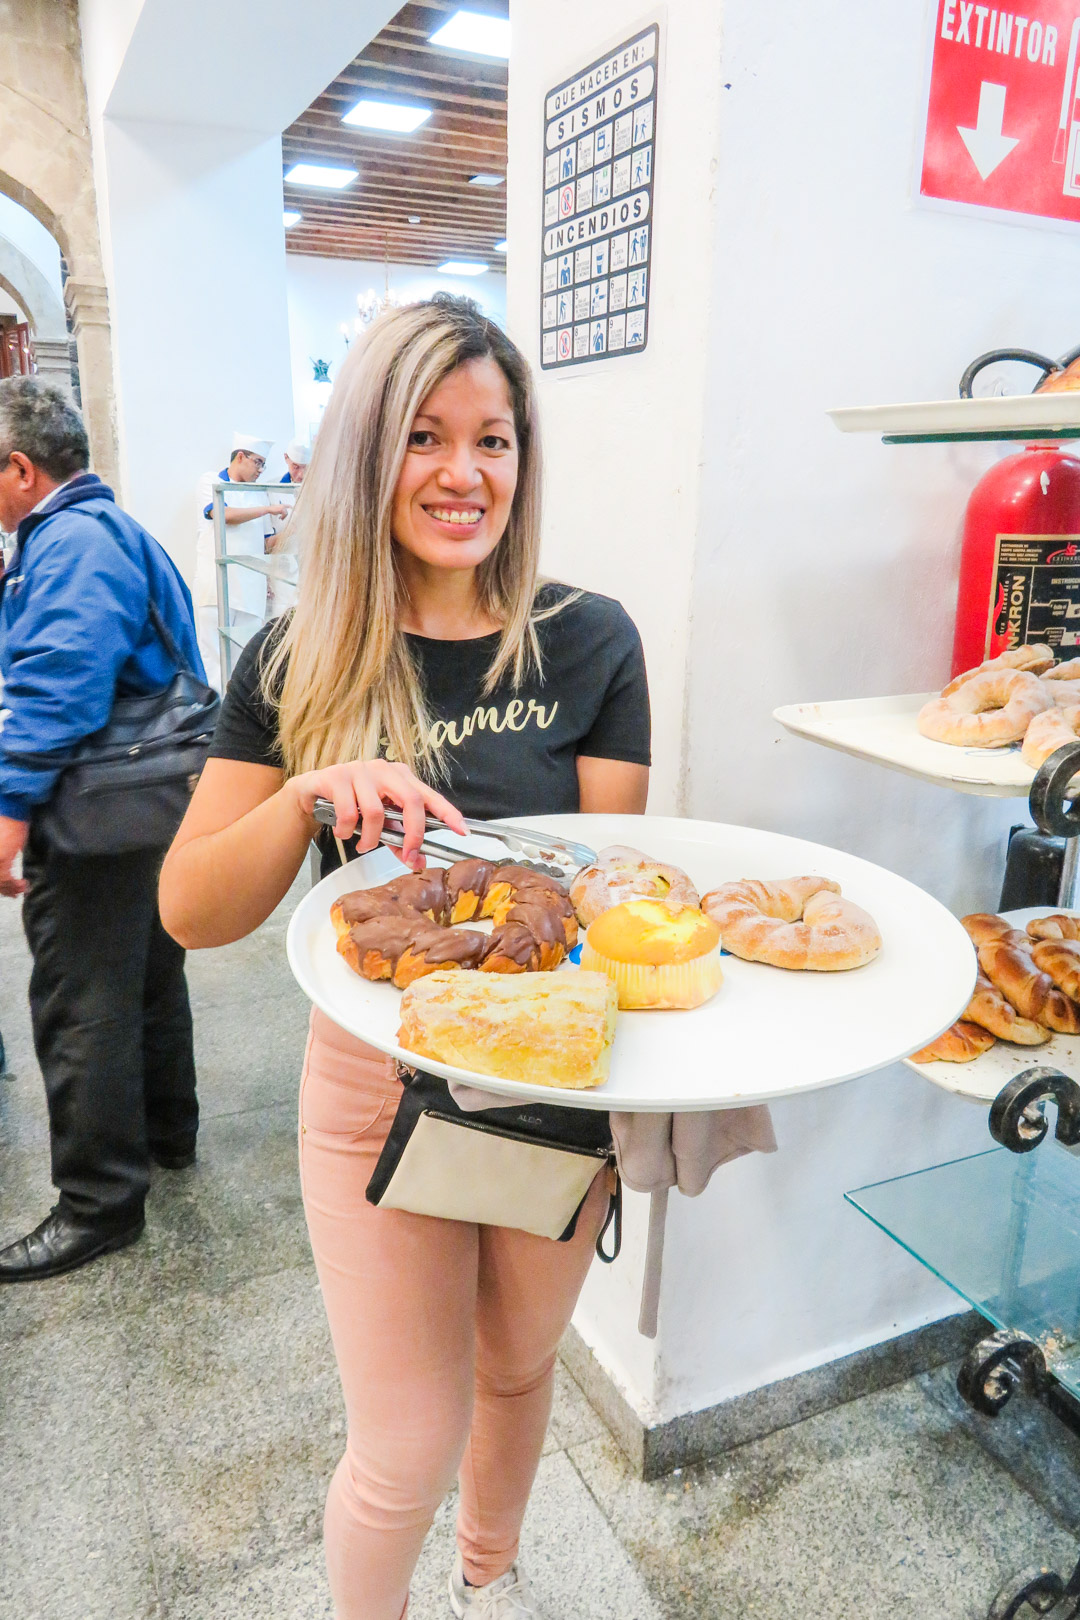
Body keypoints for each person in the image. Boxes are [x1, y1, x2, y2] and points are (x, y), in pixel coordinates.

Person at [158, 296, 650, 1620]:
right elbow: (194, 909)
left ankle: (491, 1586)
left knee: (515, 1367)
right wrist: (308, 791)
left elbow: (612, 899)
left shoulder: (592, 639)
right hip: (376, 1085)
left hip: (555, 1079)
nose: (464, 474)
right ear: (374, 451)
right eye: (427, 436)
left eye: (494, 440)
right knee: (402, 1447)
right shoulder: (297, 658)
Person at [0, 377, 205, 1281]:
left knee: (82, 1005)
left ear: (18, 468)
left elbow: (57, 686)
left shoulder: (72, 543)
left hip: (98, 813)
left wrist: (7, 813)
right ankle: (168, 1135)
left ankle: (98, 1205)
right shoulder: (112, 529)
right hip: (152, 805)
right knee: (151, 978)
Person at [194, 433, 286, 689]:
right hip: (215, 589)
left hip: (250, 590)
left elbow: (267, 544)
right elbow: (224, 515)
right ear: (241, 456)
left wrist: (299, 525)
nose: (260, 470)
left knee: (245, 663)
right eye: (258, 462)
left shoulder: (259, 494)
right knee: (213, 660)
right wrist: (268, 510)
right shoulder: (210, 481)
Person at [266, 437, 310, 615]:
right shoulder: (271, 489)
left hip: (312, 567)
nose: (300, 474)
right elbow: (266, 539)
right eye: (295, 467)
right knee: (283, 618)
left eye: (305, 467)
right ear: (286, 458)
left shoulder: (322, 488)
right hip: (282, 570)